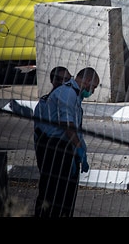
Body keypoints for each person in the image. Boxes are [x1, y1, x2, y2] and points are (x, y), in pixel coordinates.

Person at [33, 67, 100, 217]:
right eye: (93, 87)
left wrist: (81, 148)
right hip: (55, 148)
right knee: (53, 194)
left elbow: (75, 127)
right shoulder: (67, 93)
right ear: (87, 80)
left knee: (66, 195)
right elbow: (67, 126)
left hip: (64, 147)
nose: (93, 91)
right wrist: (79, 149)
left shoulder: (74, 95)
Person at [33, 66, 72, 172]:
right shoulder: (47, 102)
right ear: (53, 81)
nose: (64, 83)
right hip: (53, 149)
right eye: (60, 79)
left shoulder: (45, 101)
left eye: (67, 79)